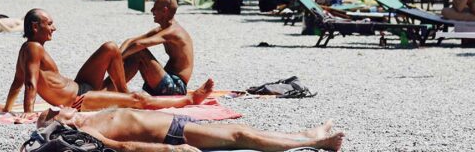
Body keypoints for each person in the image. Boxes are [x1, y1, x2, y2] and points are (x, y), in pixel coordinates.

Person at [1, 8, 214, 114]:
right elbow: (29, 83)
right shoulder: (33, 48)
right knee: (138, 100)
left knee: (110, 47)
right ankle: (190, 99)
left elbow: (16, 82)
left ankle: (121, 91)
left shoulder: (28, 50)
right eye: (49, 24)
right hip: (80, 98)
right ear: (36, 27)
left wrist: (7, 108)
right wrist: (27, 115)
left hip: (81, 85)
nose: (54, 28)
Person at [34, 106, 344, 152]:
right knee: (242, 136)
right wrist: (173, 149)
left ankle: (306, 135)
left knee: (242, 129)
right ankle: (315, 143)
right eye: (58, 110)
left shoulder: (86, 117)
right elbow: (123, 148)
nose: (66, 106)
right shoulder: (85, 132)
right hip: (175, 135)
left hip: (176, 123)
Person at [112, 0, 193, 96]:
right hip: (166, 82)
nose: (151, 10)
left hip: (176, 87)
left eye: (155, 8)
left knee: (140, 52)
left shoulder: (173, 32)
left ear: (165, 10)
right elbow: (132, 40)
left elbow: (139, 44)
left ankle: (111, 88)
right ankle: (112, 87)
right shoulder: (162, 29)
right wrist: (118, 55)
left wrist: (117, 60)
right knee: (135, 54)